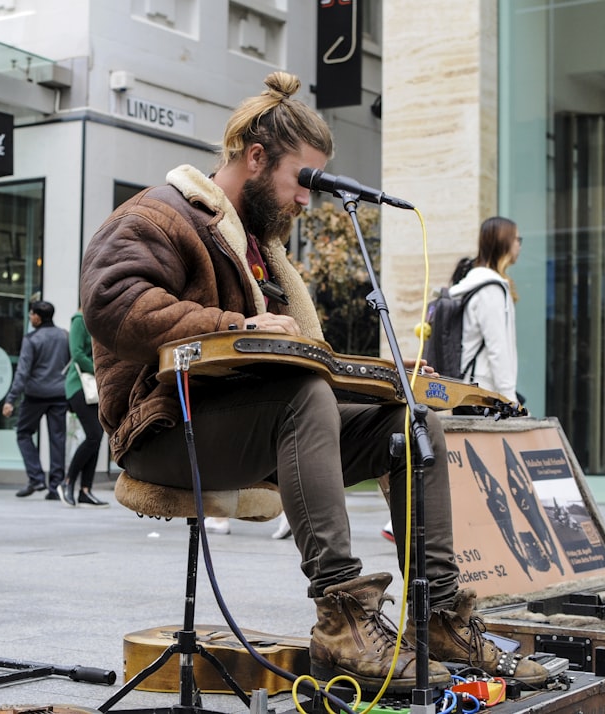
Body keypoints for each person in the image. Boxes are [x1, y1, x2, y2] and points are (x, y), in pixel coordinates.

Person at [79, 71, 547, 693]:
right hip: (164, 429)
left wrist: (386, 380)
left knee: (411, 421)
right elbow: (109, 301)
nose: (308, 199)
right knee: (304, 399)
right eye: (302, 179)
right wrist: (237, 321)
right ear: (254, 157)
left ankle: (435, 617)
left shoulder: (258, 250)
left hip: (246, 421)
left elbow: (297, 362)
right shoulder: (160, 214)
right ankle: (345, 622)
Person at [449, 217, 522, 403]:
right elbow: (498, 346)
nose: (519, 246)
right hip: (484, 393)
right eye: (517, 239)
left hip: (471, 388)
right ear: (504, 243)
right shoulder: (490, 289)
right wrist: (509, 398)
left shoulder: (478, 284)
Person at [3, 301, 70, 500]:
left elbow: (22, 372)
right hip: (60, 394)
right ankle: (55, 487)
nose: (30, 317)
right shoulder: (64, 336)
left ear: (38, 317)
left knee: (23, 433)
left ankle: (36, 478)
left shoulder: (31, 339)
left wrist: (11, 399)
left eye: (31, 314)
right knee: (57, 439)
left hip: (35, 395)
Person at [61, 309, 108, 507]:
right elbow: (78, 354)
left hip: (93, 388)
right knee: (93, 435)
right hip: (79, 386)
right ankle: (67, 482)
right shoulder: (80, 320)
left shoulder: (98, 321)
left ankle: (85, 490)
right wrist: (100, 372)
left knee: (96, 436)